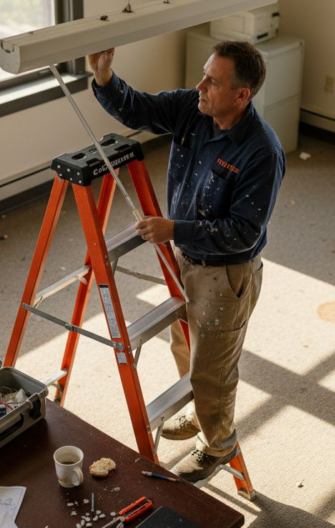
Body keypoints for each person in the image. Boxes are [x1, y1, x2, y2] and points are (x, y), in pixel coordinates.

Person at [89, 41, 285, 482]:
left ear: (241, 95)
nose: (200, 85)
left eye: (213, 81)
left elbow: (242, 231)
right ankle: (200, 413)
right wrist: (104, 78)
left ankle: (217, 445)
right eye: (203, 74)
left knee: (212, 366)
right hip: (184, 257)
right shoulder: (191, 107)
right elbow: (138, 108)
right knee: (184, 343)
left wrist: (174, 229)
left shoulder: (261, 152)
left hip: (226, 272)